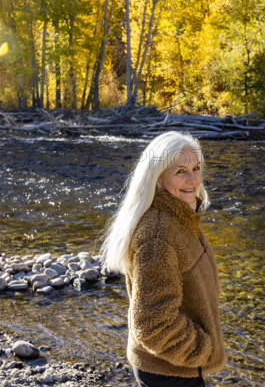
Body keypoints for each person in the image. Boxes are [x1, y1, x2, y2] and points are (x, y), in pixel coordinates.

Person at [101, 131, 227, 387]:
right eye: (180, 171)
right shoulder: (158, 235)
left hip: (176, 366)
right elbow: (153, 325)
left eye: (196, 168)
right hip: (169, 372)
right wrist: (205, 350)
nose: (193, 179)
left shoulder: (181, 217)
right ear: (157, 178)